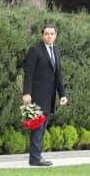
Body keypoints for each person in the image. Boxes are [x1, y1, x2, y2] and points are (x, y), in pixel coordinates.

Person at [22, 24, 67, 167]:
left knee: (42, 127)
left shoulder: (56, 51)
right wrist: (26, 92)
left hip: (50, 97)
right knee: (37, 126)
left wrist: (62, 94)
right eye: (46, 33)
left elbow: (58, 75)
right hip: (36, 95)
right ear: (42, 35)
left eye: (52, 33)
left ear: (56, 35)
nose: (49, 36)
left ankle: (36, 156)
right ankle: (35, 158)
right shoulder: (35, 50)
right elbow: (28, 73)